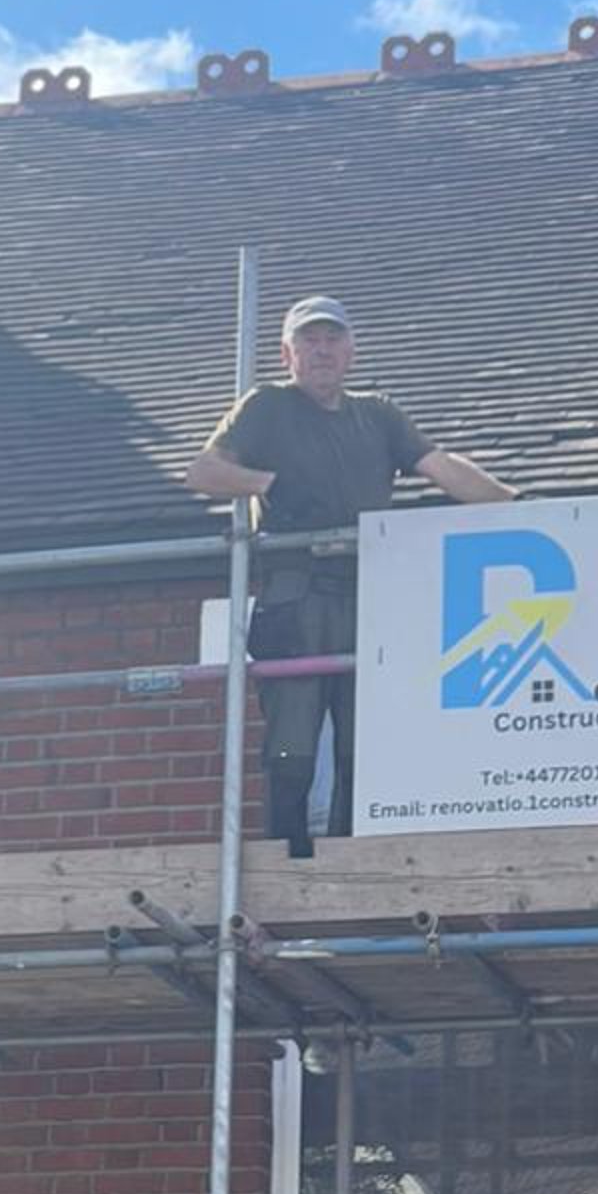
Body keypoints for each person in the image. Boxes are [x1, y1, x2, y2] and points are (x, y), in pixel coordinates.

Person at [184, 294, 517, 856]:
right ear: (287, 353)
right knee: (294, 748)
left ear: (351, 352)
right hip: (298, 597)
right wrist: (267, 483)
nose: (322, 351)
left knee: (363, 749)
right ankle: (289, 869)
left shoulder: (378, 415)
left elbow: (443, 467)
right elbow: (204, 471)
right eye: (309, 341)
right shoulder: (268, 406)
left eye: (332, 339)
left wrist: (523, 506)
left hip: (369, 598)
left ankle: (349, 866)